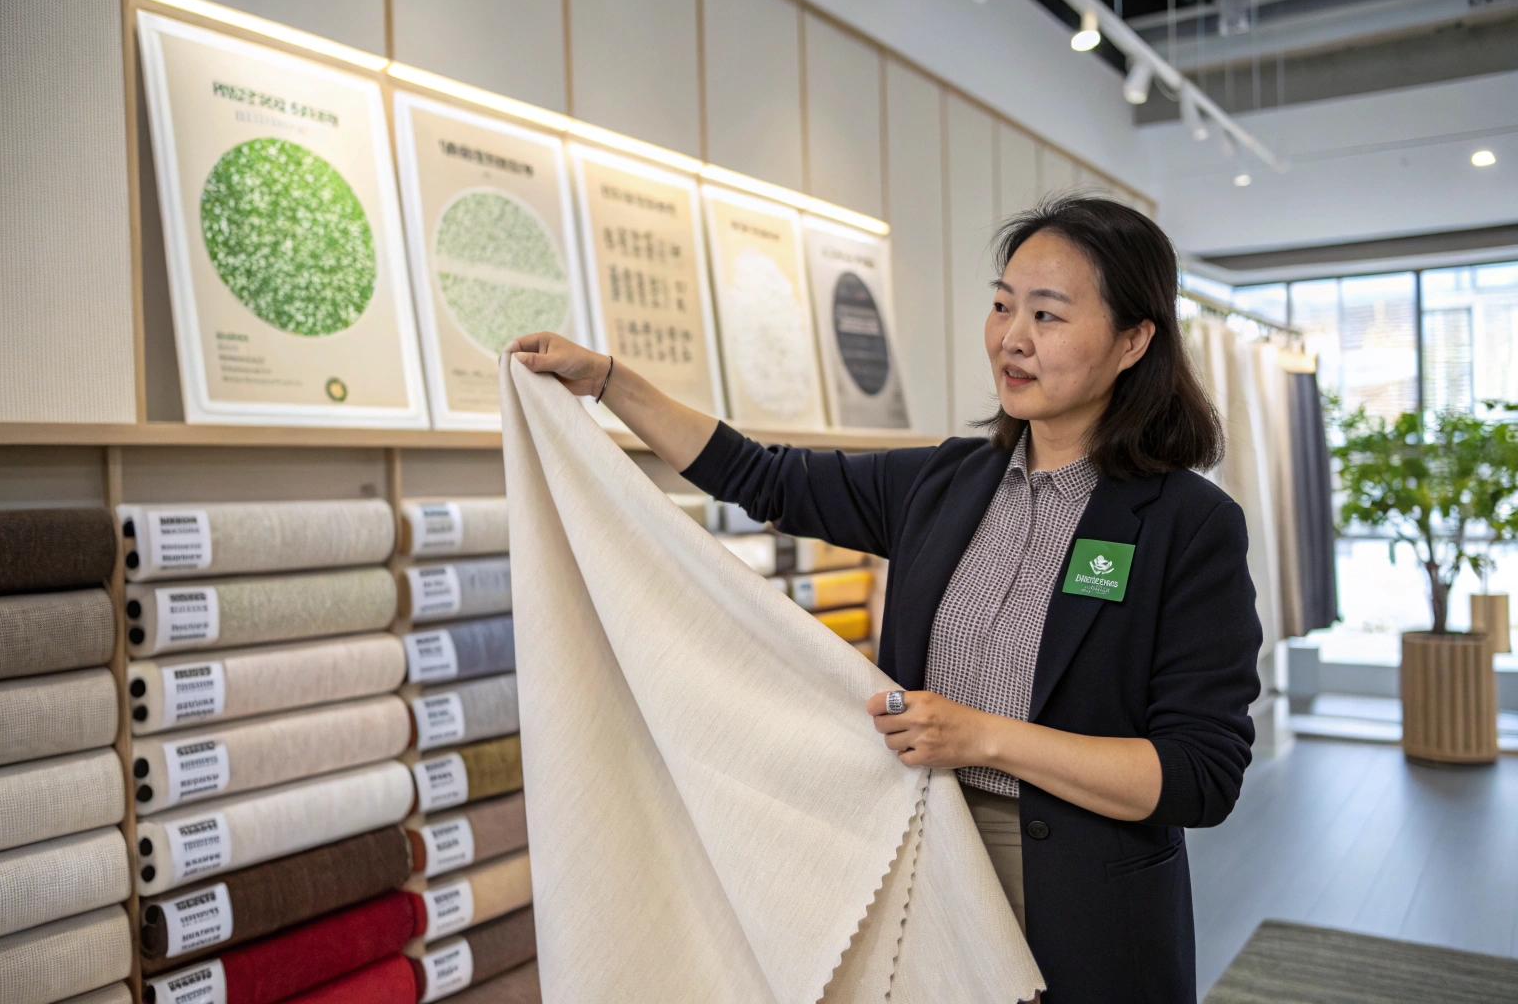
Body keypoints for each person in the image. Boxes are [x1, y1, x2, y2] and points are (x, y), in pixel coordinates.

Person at [510, 195, 1262, 1003]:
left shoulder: (1189, 525)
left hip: (1087, 908)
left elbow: (1200, 774)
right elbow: (763, 476)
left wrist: (983, 737)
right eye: (1002, 305)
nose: (1012, 338)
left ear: (1133, 340)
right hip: (927, 864)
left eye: (1047, 315)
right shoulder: (945, 483)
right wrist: (610, 382)